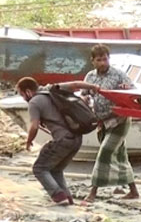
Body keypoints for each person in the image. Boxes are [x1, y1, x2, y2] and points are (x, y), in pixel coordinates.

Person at [17, 77, 100, 205]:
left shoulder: (34, 102)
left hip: (63, 140)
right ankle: (67, 198)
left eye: (22, 95)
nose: (23, 98)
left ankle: (58, 196)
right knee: (55, 169)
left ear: (28, 91)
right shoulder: (53, 89)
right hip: (77, 139)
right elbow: (75, 84)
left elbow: (34, 126)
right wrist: (93, 87)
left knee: (39, 168)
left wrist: (29, 141)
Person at [82, 45, 138, 203]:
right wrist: (84, 99)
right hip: (102, 122)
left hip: (119, 121)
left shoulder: (119, 75)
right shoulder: (90, 77)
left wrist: (127, 90)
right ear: (92, 61)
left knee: (104, 153)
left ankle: (93, 192)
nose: (102, 63)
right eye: (99, 60)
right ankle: (134, 191)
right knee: (121, 156)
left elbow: (134, 93)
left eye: (105, 59)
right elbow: (83, 94)